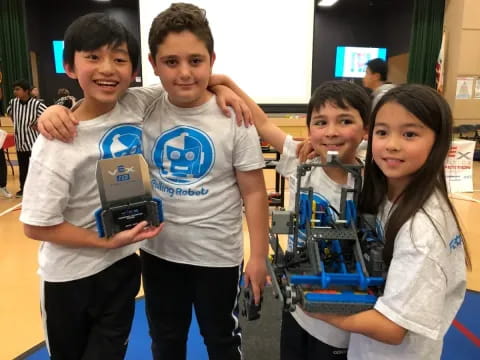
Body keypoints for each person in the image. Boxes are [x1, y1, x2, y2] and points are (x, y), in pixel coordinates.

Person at [19, 13, 166, 359]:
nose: (107, 68)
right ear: (70, 67)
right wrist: (103, 241)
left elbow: (188, 79)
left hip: (122, 267)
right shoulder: (57, 141)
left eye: (119, 59)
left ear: (133, 71)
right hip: (69, 278)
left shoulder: (137, 103)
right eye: (93, 57)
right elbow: (35, 225)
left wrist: (225, 87)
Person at [138, 4, 269, 360]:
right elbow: (96, 106)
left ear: (212, 60)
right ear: (153, 63)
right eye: (171, 62)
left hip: (217, 258)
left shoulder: (233, 116)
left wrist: (259, 255)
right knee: (165, 340)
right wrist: (61, 110)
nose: (184, 73)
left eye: (196, 61)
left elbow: (255, 191)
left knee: (222, 340)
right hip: (158, 252)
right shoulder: (144, 108)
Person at [307, 84, 470, 360]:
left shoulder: (422, 232)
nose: (392, 144)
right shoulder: (390, 191)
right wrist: (317, 146)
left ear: (439, 142)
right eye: (382, 132)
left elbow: (392, 329)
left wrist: (312, 306)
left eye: (409, 134)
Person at [225, 79, 370, 359]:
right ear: (309, 129)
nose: (331, 132)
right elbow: (263, 123)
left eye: (345, 121)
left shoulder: (373, 177)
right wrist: (226, 84)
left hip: (343, 314)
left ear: (365, 129)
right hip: (299, 307)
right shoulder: (301, 161)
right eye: (320, 122)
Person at [6, 79, 47, 197]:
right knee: (22, 167)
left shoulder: (37, 104)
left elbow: (47, 115)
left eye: (18, 89)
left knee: (36, 166)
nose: (15, 92)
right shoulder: (13, 103)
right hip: (20, 142)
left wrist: (38, 124)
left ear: (26, 91)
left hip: (33, 142)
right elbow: (10, 114)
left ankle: (40, 189)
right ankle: (23, 188)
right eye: (14, 89)